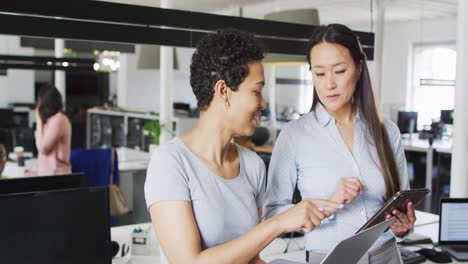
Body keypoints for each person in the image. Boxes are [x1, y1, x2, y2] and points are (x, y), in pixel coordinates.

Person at [144, 28, 343, 264]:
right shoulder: (170, 162)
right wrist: (278, 223)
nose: (263, 102)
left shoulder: (252, 164)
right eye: (257, 91)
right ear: (222, 91)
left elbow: (251, 257)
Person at [263, 24, 415, 264]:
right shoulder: (294, 136)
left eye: (340, 71)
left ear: (359, 68)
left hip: (387, 256)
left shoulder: (387, 131)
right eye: (320, 74)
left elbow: (400, 204)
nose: (329, 84)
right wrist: (328, 206)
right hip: (331, 259)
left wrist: (401, 228)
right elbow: (272, 215)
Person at [31, 84, 71, 176]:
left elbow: (43, 148)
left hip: (57, 176)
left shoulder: (59, 119)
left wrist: (39, 121)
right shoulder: (50, 120)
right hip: (48, 175)